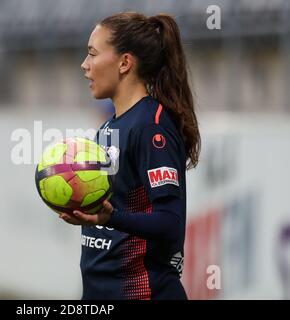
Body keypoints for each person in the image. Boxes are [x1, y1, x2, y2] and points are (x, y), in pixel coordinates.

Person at [59, 12, 201, 300]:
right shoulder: (108, 127)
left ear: (125, 63)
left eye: (92, 54)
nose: (84, 65)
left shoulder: (151, 126)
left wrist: (112, 217)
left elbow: (170, 224)